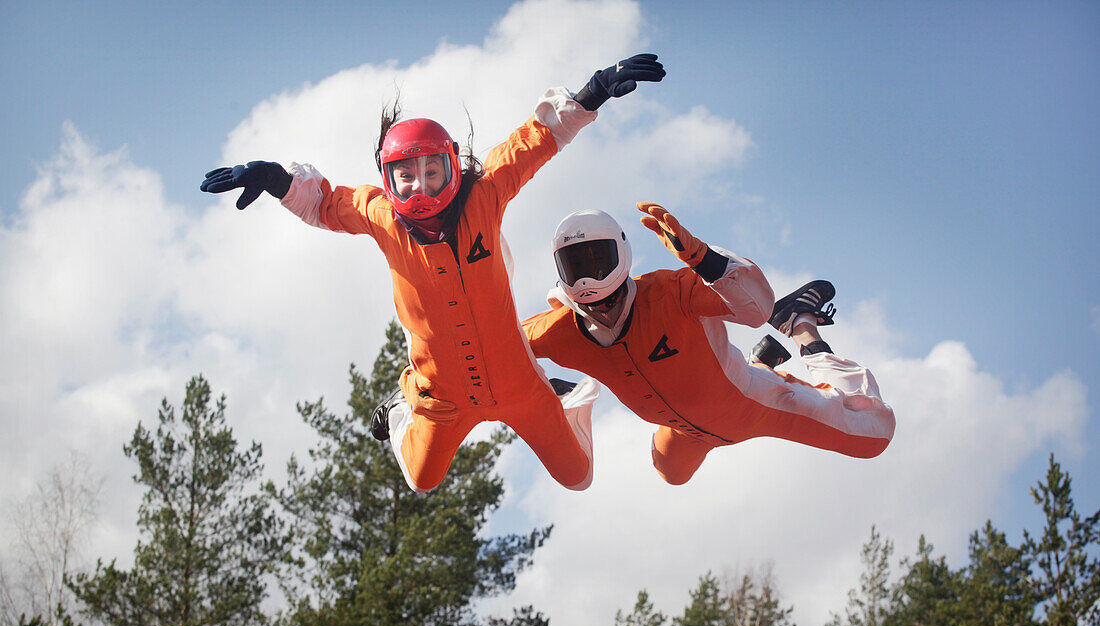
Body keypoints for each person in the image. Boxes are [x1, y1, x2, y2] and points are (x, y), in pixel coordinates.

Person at [199, 55, 665, 493]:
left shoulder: (484, 195)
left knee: (578, 476)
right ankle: (406, 402)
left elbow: (532, 142)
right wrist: (276, 179)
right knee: (422, 480)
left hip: (517, 383)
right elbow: (325, 203)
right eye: (406, 175)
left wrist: (593, 91)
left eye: (432, 171)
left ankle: (559, 394)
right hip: (441, 395)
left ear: (452, 166)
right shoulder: (382, 216)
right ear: (388, 177)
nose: (419, 186)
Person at [513, 203, 896, 485]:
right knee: (671, 474)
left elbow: (757, 309)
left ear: (622, 257)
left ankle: (800, 324)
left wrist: (707, 261)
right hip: (683, 430)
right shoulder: (555, 329)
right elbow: (493, 350)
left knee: (875, 434)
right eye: (576, 266)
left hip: (749, 404)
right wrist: (551, 392)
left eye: (598, 262)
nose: (590, 280)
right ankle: (761, 360)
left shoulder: (671, 290)